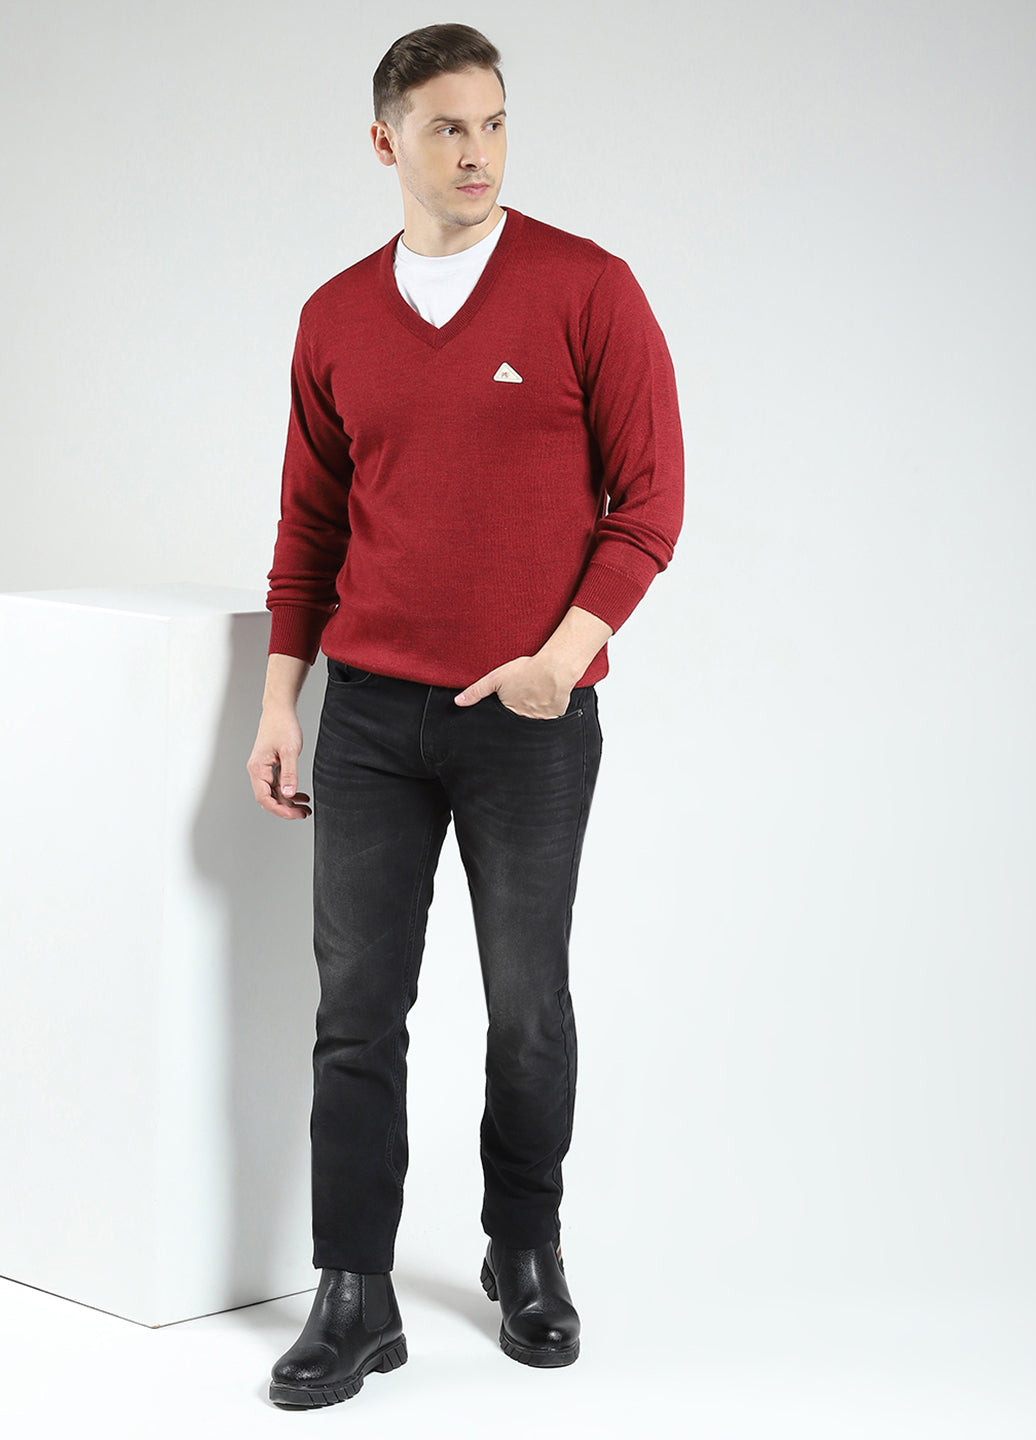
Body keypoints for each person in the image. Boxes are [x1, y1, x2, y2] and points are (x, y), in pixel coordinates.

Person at [247, 22, 684, 1410]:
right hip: (371, 719)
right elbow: (309, 528)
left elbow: (650, 502)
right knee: (355, 1013)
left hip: (529, 721)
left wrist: (565, 656)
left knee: (527, 1004)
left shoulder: (586, 288)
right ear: (386, 141)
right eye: (446, 127)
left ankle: (525, 1247)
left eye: (493, 122)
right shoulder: (334, 317)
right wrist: (282, 702)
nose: (478, 151)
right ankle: (353, 1291)